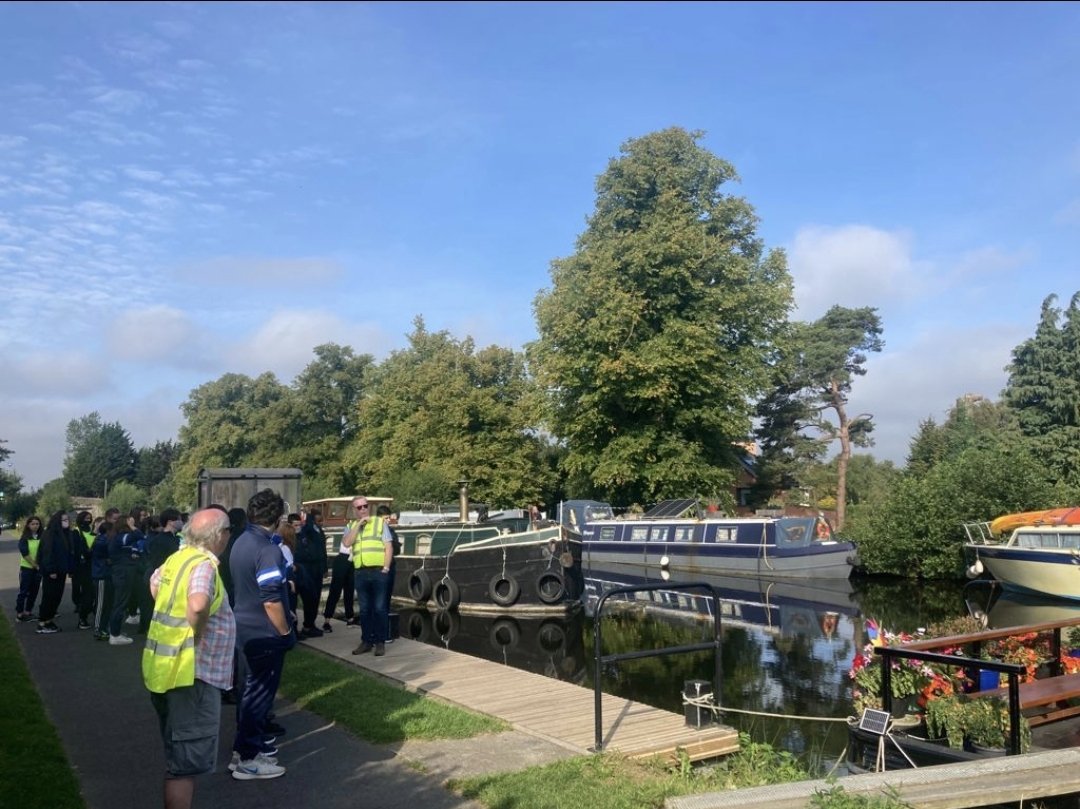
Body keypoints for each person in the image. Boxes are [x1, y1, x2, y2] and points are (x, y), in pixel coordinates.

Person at [143, 508, 236, 809]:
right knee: (183, 767)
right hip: (192, 675)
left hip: (166, 670)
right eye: (228, 531)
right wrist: (196, 632)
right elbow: (197, 605)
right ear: (219, 535)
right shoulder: (204, 566)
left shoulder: (176, 559)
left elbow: (154, 585)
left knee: (177, 755)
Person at [228, 488, 294, 780]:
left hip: (243, 626)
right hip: (264, 632)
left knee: (248, 692)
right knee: (258, 696)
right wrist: (285, 631)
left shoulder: (241, 541)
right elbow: (270, 599)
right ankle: (249, 759)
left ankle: (243, 750)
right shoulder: (268, 549)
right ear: (277, 518)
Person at [344, 497, 393, 657]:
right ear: (354, 510)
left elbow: (388, 546)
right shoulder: (350, 526)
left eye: (365, 506)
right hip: (361, 572)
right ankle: (366, 641)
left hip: (378, 571)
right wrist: (358, 525)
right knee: (364, 610)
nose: (363, 509)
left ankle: (380, 642)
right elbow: (347, 543)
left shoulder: (379, 523)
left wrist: (386, 567)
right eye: (359, 507)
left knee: (380, 608)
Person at [141, 508, 183, 635]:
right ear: (170, 522)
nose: (181, 522)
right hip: (161, 578)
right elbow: (157, 562)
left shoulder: (173, 538)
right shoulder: (162, 540)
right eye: (179, 519)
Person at [36, 511, 74, 634]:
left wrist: (69, 569)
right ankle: (42, 623)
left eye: (67, 520)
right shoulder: (50, 534)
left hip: (61, 570)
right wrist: (51, 569)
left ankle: (49, 620)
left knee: (56, 597)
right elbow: (47, 553)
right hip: (52, 572)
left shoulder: (65, 534)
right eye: (64, 520)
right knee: (49, 597)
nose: (67, 522)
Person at [295, 508, 328, 638]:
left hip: (318, 568)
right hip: (309, 569)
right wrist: (309, 518)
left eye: (322, 520)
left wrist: (325, 568)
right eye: (318, 521)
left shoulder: (320, 531)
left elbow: (323, 552)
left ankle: (310, 624)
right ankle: (307, 626)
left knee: (315, 599)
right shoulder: (307, 531)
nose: (321, 523)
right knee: (310, 598)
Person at [375, 504, 400, 634]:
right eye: (386, 518)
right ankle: (377, 630)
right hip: (379, 567)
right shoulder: (375, 531)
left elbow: (397, 550)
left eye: (389, 518)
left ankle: (384, 631)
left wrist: (393, 544)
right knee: (378, 601)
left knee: (386, 599)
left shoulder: (391, 531)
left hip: (390, 567)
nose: (389, 520)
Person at [15, 515, 44, 622]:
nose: (35, 526)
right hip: (27, 568)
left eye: (37, 524)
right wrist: (35, 565)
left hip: (38, 569)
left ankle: (28, 612)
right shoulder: (24, 538)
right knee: (24, 591)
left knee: (34, 591)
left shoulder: (42, 537)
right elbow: (25, 554)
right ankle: (19, 613)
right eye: (33, 524)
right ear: (28, 525)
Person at [71, 511, 96, 628]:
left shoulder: (93, 532)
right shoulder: (76, 532)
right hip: (80, 565)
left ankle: (85, 610)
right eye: (86, 518)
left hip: (92, 565)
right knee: (78, 589)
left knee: (90, 592)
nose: (88, 520)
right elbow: (76, 550)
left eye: (89, 518)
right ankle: (80, 607)